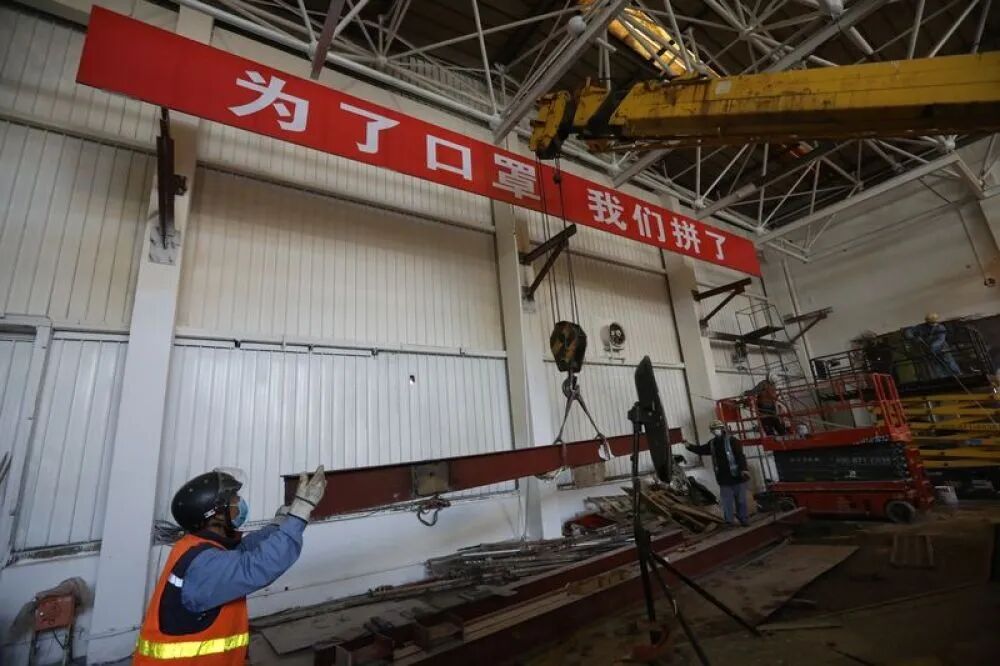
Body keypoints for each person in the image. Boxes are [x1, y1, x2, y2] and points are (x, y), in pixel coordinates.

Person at [134, 466, 328, 664]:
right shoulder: (204, 566)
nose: (240, 503)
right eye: (235, 499)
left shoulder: (200, 545)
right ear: (217, 514)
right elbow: (258, 566)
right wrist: (301, 512)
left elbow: (245, 549)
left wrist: (282, 521)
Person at [685, 420, 752, 527]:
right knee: (726, 501)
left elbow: (740, 456)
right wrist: (688, 446)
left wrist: (744, 469)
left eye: (716, 428)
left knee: (741, 500)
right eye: (713, 429)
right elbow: (701, 449)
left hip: (737, 476)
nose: (715, 431)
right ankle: (729, 521)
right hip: (723, 478)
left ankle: (743, 519)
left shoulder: (733, 441)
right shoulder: (712, 444)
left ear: (722, 429)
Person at [907, 313, 961, 378]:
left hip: (942, 348)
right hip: (929, 350)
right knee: (936, 365)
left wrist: (932, 347)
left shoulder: (941, 328)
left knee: (949, 362)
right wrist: (914, 338)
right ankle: (944, 377)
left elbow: (940, 340)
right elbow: (909, 331)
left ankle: (958, 374)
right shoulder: (921, 327)